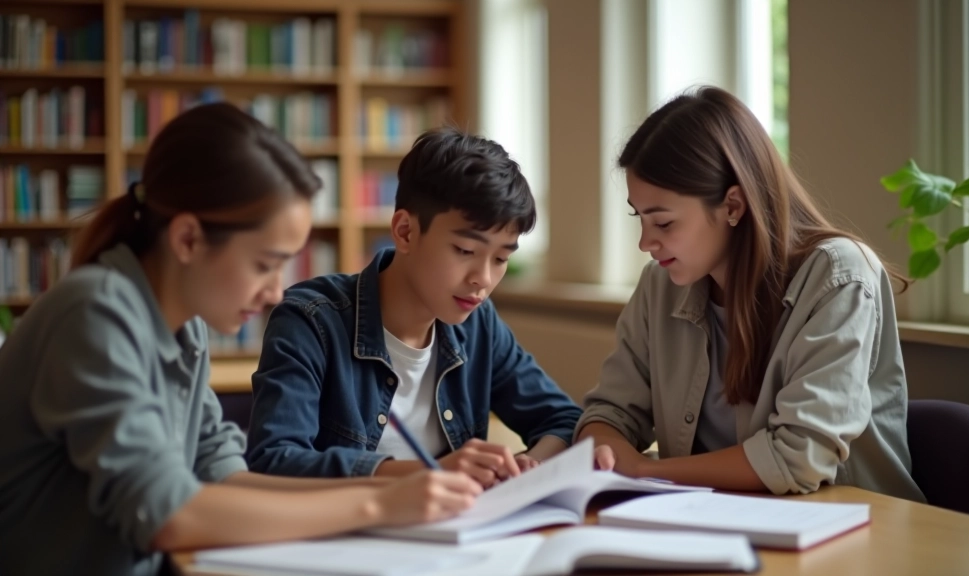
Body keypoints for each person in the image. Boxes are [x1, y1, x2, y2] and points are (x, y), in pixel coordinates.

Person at [0, 103, 480, 576]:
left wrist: (391, 492)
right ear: (188, 239)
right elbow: (168, 515)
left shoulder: (185, 323)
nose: (276, 290)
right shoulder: (95, 314)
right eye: (265, 263)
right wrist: (376, 507)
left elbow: (225, 474)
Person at [575, 86, 926, 502]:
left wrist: (646, 470)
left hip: (849, 535)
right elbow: (609, 413)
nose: (645, 243)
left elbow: (798, 458)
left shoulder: (839, 277)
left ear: (733, 206)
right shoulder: (659, 286)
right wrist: (609, 446)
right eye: (640, 218)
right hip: (710, 524)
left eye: (664, 223)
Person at [246, 127, 582, 486]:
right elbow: (274, 458)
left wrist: (526, 466)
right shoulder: (310, 320)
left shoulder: (478, 323)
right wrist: (430, 474)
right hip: (351, 532)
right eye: (465, 251)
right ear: (405, 232)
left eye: (500, 258)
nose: (482, 279)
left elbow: (563, 420)